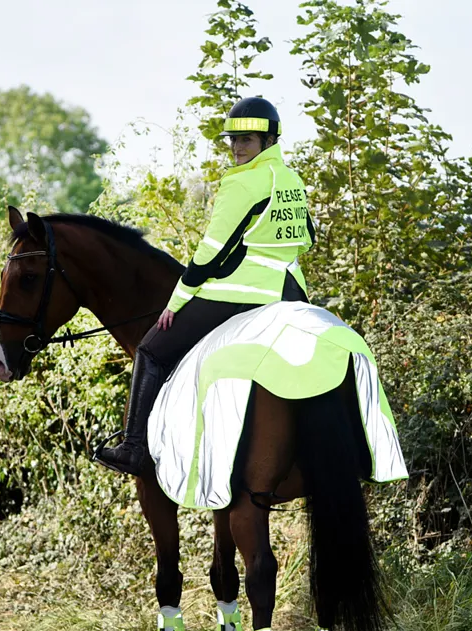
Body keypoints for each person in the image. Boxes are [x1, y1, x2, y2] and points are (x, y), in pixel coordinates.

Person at [94, 97, 315, 475]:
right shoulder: (292, 180)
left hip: (241, 295)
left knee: (150, 350)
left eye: (247, 140)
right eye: (234, 140)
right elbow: (307, 237)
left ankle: (135, 449)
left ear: (269, 141)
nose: (237, 147)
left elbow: (209, 255)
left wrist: (175, 304)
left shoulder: (241, 183)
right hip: (291, 292)